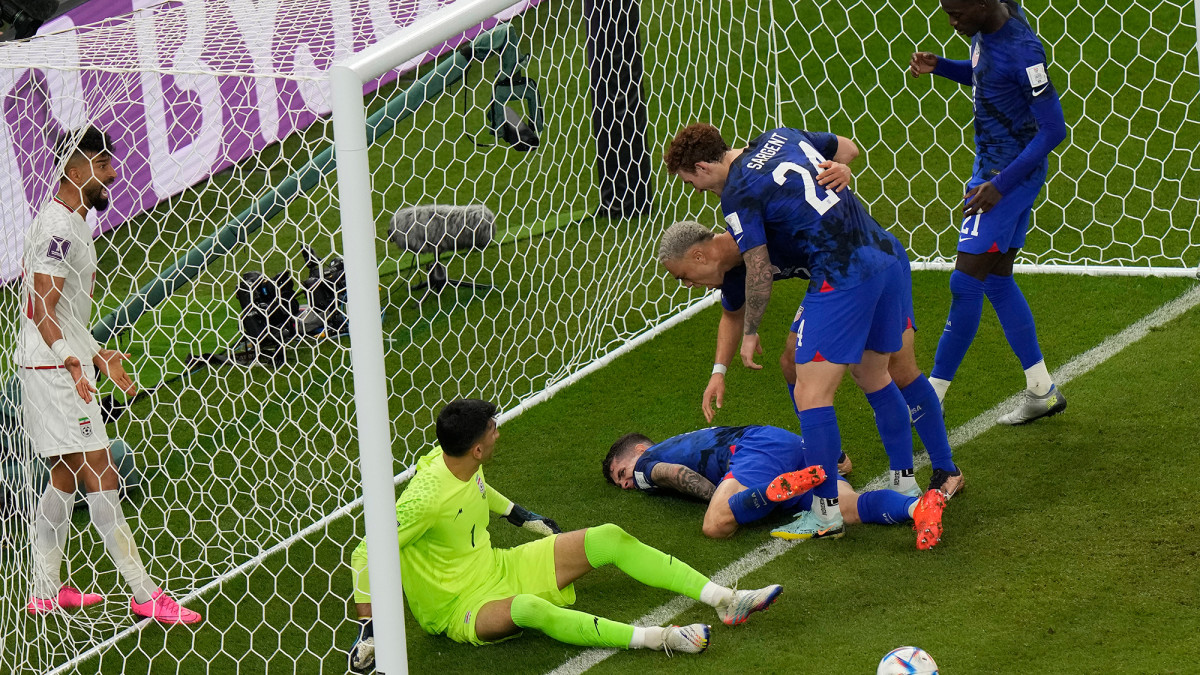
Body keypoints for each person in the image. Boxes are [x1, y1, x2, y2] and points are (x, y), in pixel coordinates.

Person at [661, 123, 959, 540]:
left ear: (703, 167)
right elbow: (849, 148)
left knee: (818, 389)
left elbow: (760, 269)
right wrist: (719, 370)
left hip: (843, 271)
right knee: (855, 370)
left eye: (683, 276)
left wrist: (752, 334)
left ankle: (826, 510)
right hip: (882, 252)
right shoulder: (778, 138)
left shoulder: (740, 201)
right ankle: (899, 480)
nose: (687, 285)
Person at [346, 399, 782, 672]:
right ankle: (658, 639)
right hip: (460, 607)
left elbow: (473, 486)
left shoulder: (450, 457)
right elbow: (366, 551)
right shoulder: (422, 500)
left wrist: (518, 515)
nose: (499, 432)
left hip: (497, 566)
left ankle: (725, 599)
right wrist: (368, 628)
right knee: (532, 609)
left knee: (607, 537)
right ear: (477, 448)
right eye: (493, 430)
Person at [15, 126, 201, 623]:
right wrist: (71, 359)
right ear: (74, 171)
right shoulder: (57, 229)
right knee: (101, 471)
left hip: (59, 361)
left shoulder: (75, 221)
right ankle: (143, 594)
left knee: (63, 476)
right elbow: (39, 305)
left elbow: (67, 311)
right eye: (101, 166)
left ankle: (46, 590)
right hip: (52, 368)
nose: (113, 175)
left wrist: (97, 353)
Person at [909, 0, 1069, 424]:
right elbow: (987, 75)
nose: (951, 21)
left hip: (1006, 176)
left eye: (958, 13)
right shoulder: (992, 24)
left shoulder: (1023, 51)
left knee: (964, 280)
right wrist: (942, 66)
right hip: (997, 171)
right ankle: (1042, 391)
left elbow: (1055, 128)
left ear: (983, 5)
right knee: (997, 279)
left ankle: (931, 400)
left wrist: (1000, 186)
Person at [601, 425, 946, 548]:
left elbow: (673, 473)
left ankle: (770, 491)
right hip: (786, 443)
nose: (626, 484)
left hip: (755, 452)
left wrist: (722, 503)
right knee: (848, 507)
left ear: (640, 451)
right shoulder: (686, 438)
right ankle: (918, 508)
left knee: (716, 524)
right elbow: (847, 464)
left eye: (622, 473)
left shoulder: (650, 461)